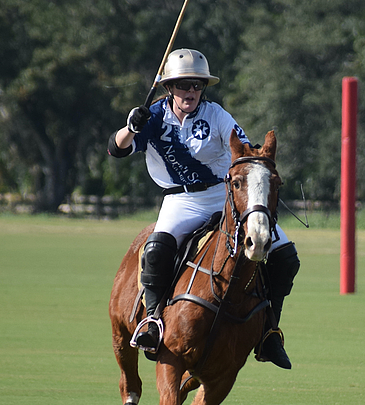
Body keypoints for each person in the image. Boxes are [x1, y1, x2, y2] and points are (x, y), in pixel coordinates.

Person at [107, 48, 299, 369]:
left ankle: (269, 331)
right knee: (157, 249)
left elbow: (243, 148)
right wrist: (132, 126)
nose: (191, 92)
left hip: (224, 196)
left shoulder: (217, 115)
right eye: (183, 85)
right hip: (180, 200)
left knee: (285, 256)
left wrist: (260, 171)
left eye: (197, 85)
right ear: (169, 87)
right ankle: (153, 321)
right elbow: (116, 149)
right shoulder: (152, 118)